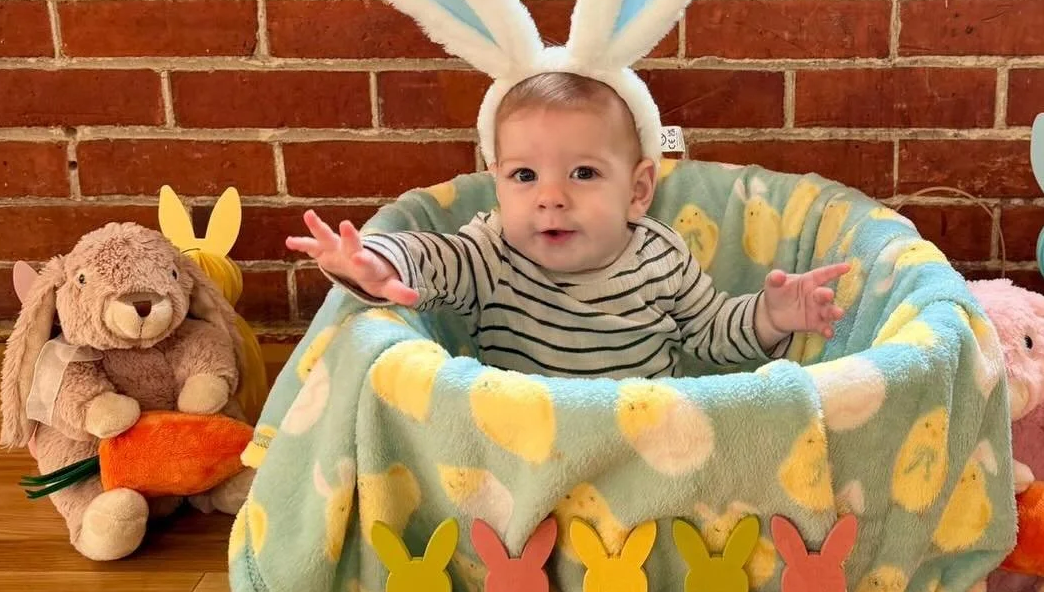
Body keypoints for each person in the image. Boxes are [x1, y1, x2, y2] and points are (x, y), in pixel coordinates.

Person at [288, 71, 848, 380]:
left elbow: (710, 332)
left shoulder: (660, 256)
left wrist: (773, 315)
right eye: (524, 176)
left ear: (638, 192)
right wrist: (379, 262)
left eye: (583, 173)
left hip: (642, 451)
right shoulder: (491, 251)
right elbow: (434, 257)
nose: (551, 198)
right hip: (524, 453)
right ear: (496, 183)